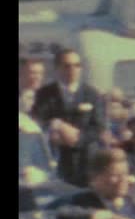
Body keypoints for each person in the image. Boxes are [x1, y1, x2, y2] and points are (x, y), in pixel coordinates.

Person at [32, 49, 106, 188]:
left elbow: (99, 127)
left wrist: (77, 139)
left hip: (86, 161)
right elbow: (37, 120)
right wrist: (56, 126)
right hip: (57, 161)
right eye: (67, 65)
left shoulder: (92, 94)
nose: (72, 70)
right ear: (57, 68)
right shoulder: (44, 94)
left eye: (77, 65)